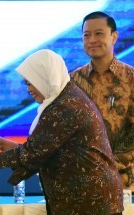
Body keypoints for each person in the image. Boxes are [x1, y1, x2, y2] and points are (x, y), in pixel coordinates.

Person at [0, 49, 123, 214]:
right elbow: (40, 150)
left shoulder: (66, 106)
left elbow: (30, 154)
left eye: (31, 83)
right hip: (88, 202)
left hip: (91, 203)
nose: (29, 89)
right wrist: (1, 143)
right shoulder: (65, 98)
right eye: (27, 84)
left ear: (45, 77)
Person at [70, 11, 134, 191]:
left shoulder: (131, 78)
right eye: (86, 35)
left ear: (114, 37)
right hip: (82, 182)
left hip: (125, 183)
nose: (91, 40)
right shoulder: (71, 81)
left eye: (99, 34)